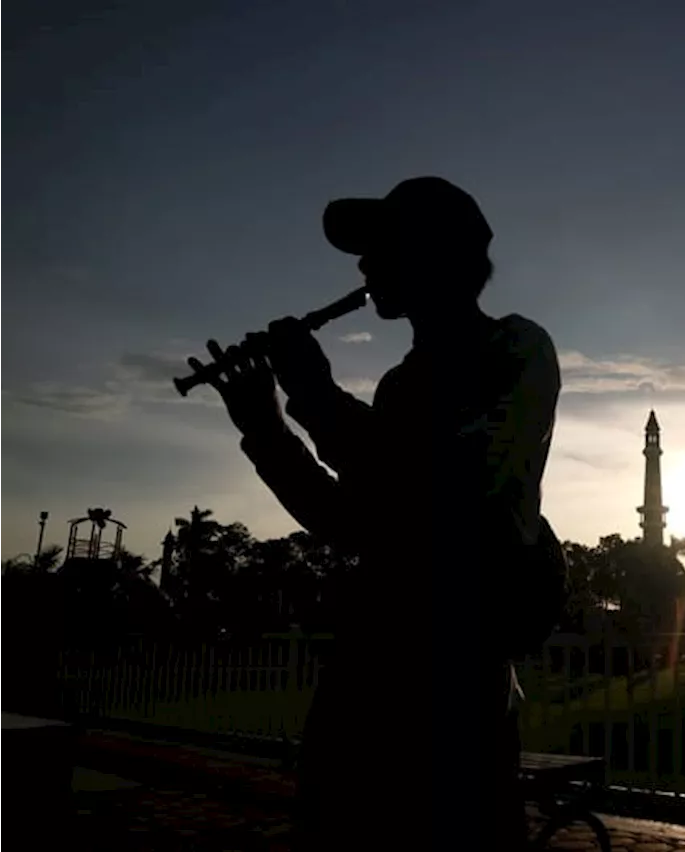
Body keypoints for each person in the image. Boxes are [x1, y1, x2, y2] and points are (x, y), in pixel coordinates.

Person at [189, 176, 561, 848]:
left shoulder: (515, 349)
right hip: (372, 669)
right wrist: (266, 430)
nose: (363, 268)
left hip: (454, 681)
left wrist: (314, 395)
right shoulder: (401, 384)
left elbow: (448, 484)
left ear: (437, 257)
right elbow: (353, 524)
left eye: (381, 248)